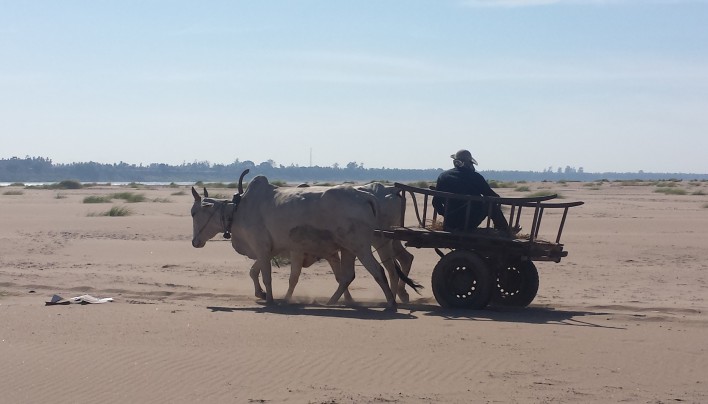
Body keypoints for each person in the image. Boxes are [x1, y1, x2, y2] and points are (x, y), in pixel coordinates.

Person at [432, 149, 511, 232]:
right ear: (469, 164)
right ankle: (504, 230)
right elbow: (493, 196)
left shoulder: (443, 176)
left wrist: (446, 215)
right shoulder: (476, 177)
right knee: (491, 204)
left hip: (450, 223)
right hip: (470, 221)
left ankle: (503, 229)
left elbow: (436, 202)